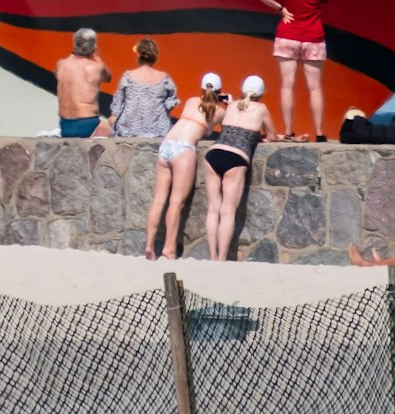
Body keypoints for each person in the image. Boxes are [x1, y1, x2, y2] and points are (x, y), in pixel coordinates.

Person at [259, 0, 331, 142]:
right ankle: (320, 133)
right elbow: (323, 2)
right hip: (313, 37)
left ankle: (289, 131)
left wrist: (281, 9)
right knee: (315, 87)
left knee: (287, 86)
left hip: (287, 35)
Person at [202, 76, 276, 262]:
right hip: (236, 157)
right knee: (228, 211)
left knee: (213, 209)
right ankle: (221, 259)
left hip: (214, 153)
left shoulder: (233, 105)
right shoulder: (261, 109)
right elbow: (272, 135)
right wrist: (258, 138)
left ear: (242, 89)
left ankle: (211, 255)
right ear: (262, 93)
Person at [143, 87, 219, 261]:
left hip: (166, 144)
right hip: (183, 148)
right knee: (176, 203)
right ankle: (169, 248)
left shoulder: (192, 101)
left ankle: (149, 245)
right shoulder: (219, 110)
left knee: (158, 199)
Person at [108, 39, 178, 138]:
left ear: (138, 55)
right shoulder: (164, 78)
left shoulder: (128, 76)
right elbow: (171, 102)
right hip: (159, 130)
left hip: (128, 130)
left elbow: (117, 106)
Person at [54, 29, 110, 138]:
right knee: (111, 130)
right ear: (94, 46)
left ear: (74, 44)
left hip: (65, 125)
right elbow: (108, 78)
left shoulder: (61, 65)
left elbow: (58, 75)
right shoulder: (97, 67)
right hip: (88, 124)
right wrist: (97, 58)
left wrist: (73, 54)